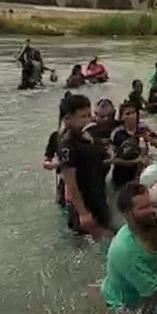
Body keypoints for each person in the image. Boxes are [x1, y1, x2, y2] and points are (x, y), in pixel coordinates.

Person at [99, 182, 157, 310]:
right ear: (128, 214)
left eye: (151, 204)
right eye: (144, 208)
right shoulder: (124, 250)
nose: (152, 211)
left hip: (151, 287)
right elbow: (156, 294)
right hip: (123, 306)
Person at [59, 93, 112, 236]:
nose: (88, 120)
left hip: (98, 199)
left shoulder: (87, 137)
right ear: (68, 119)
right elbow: (71, 183)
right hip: (85, 206)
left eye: (89, 115)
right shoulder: (68, 146)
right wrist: (83, 213)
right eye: (83, 116)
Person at [110, 101, 157, 190]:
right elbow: (114, 160)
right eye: (127, 114)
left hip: (141, 172)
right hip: (122, 174)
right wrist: (136, 161)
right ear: (121, 117)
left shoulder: (143, 128)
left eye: (133, 112)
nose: (131, 116)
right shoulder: (117, 134)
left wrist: (148, 138)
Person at [43, 94, 71, 206]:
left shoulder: (87, 135)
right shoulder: (56, 137)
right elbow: (46, 160)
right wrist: (50, 164)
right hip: (64, 182)